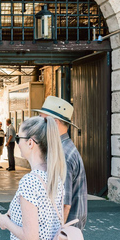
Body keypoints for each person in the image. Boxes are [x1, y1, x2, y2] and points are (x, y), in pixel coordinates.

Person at [0, 116, 66, 240]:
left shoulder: (30, 181)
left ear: (30, 143)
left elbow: (30, 236)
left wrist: (5, 222)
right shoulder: (55, 177)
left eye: (19, 138)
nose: (17, 142)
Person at [35, 96, 88, 230]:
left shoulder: (62, 154)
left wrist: (55, 237)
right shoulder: (65, 148)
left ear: (55, 122)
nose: (39, 125)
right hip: (70, 229)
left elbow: (64, 204)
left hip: (64, 231)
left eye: (43, 120)